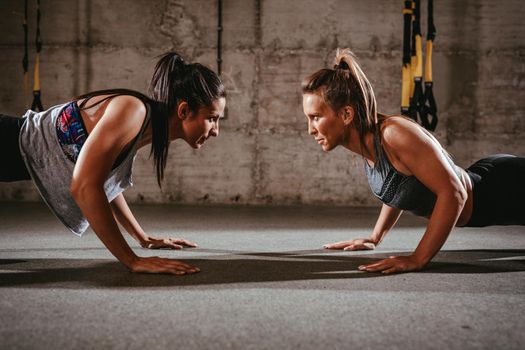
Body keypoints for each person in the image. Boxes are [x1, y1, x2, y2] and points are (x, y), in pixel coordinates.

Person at [301, 48, 525, 274]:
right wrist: (374, 238)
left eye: (316, 117)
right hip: (490, 184)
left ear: (346, 115)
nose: (310, 129)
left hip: (509, 186)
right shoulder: (371, 144)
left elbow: (455, 193)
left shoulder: (394, 133)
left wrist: (418, 259)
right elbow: (396, 185)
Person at [0, 52, 226, 275]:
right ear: (184, 111)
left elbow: (104, 178)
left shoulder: (145, 125)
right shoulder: (132, 111)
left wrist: (142, 238)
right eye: (212, 118)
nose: (215, 131)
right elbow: (85, 186)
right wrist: (132, 261)